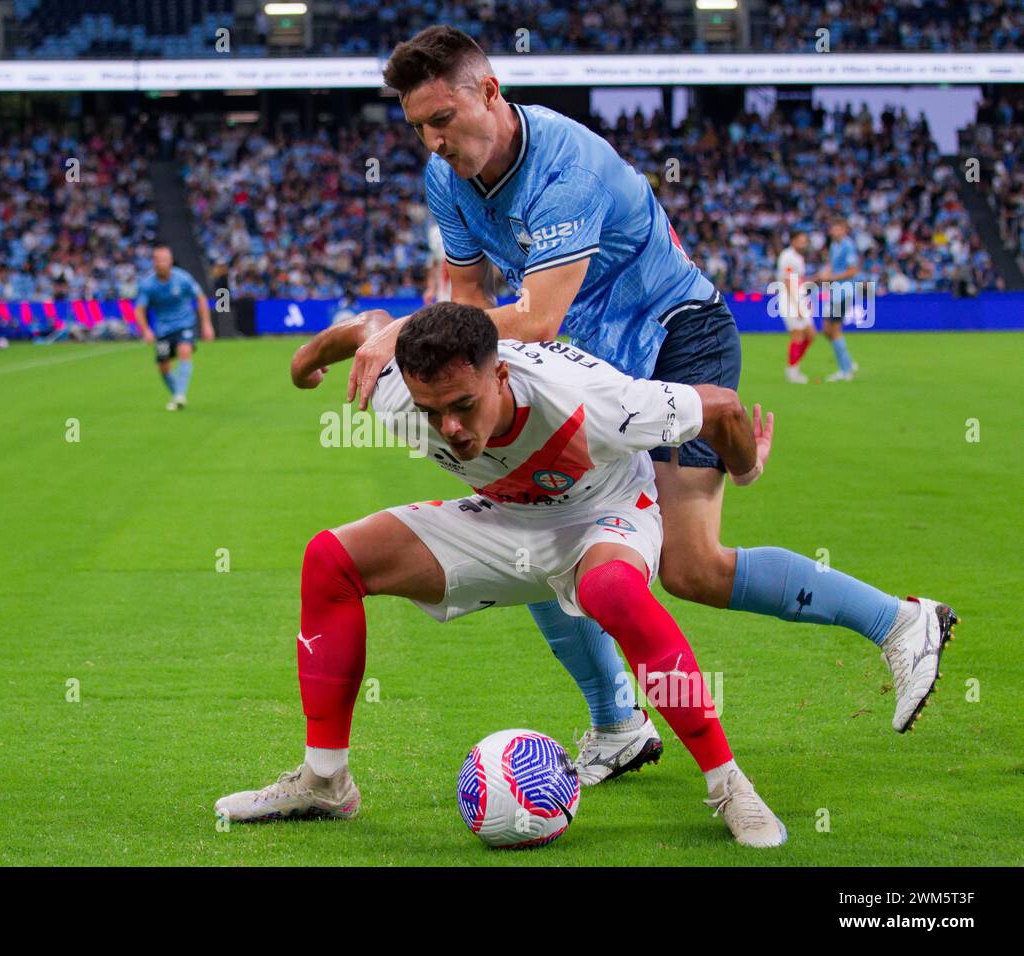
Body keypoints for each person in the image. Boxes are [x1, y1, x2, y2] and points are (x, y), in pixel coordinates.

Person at [345, 27, 955, 784]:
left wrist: (398, 329)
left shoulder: (565, 166)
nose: (433, 141)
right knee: (527, 513)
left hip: (676, 335)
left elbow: (533, 319)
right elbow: (467, 298)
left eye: (442, 119)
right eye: (417, 128)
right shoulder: (449, 179)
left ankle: (900, 621)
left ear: (490, 93)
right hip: (593, 358)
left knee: (691, 567)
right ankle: (619, 727)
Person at [217, 303, 788, 847]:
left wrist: (745, 469)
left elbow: (721, 407)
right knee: (331, 558)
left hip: (605, 516)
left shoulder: (598, 405)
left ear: (502, 376)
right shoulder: (394, 389)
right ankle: (324, 783)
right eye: (430, 411)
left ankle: (729, 785)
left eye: (464, 406)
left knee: (609, 588)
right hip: (509, 517)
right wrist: (304, 361)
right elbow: (371, 326)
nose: (451, 428)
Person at [133, 245, 215, 411]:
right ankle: (177, 394)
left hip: (184, 324)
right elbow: (139, 310)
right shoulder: (147, 285)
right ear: (153, 262)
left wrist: (207, 324)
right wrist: (146, 330)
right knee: (163, 365)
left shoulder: (183, 278)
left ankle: (179, 396)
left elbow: (200, 298)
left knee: (184, 350)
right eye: (158, 260)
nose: (161, 263)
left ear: (170, 261)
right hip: (163, 331)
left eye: (165, 259)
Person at [813, 218, 861, 382]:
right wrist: (824, 275)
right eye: (833, 229)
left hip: (843, 291)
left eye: (839, 229)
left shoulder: (848, 245)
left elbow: (852, 270)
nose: (835, 232)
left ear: (845, 230)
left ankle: (845, 370)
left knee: (833, 329)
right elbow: (831, 265)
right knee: (827, 330)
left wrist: (832, 277)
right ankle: (847, 364)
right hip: (834, 292)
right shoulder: (834, 246)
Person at [775, 232, 814, 383]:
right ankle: (792, 371)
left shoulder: (798, 257)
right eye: (800, 241)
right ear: (793, 241)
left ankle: (793, 366)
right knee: (797, 334)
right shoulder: (787, 256)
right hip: (789, 298)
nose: (803, 244)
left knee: (811, 334)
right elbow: (788, 281)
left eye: (805, 241)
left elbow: (799, 280)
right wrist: (796, 304)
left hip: (799, 297)